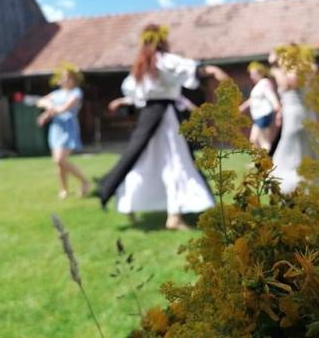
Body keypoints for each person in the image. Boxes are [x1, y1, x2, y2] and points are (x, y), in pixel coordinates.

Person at [96, 23, 228, 230]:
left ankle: (129, 206)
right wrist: (211, 70)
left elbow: (136, 93)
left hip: (149, 119)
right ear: (162, 41)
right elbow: (187, 69)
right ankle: (173, 217)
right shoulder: (162, 60)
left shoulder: (142, 66)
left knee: (143, 162)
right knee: (174, 163)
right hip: (164, 120)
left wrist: (123, 101)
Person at [36, 63, 90, 200]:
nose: (65, 80)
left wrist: (50, 106)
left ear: (74, 79)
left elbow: (63, 109)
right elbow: (40, 101)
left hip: (68, 127)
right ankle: (64, 190)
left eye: (68, 77)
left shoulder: (76, 93)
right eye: (64, 77)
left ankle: (85, 182)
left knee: (60, 159)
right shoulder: (56, 94)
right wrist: (45, 114)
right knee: (59, 162)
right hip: (56, 129)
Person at [269, 50, 317, 194]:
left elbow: (289, 84)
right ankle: (303, 187)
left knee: (290, 153)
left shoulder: (291, 71)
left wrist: (276, 70)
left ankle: (289, 188)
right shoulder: (306, 68)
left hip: (297, 117)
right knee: (300, 153)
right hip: (300, 114)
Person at [239, 61, 281, 152]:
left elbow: (271, 94)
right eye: (250, 74)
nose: (251, 76)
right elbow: (252, 100)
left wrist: (276, 106)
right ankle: (260, 161)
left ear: (261, 73)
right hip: (258, 117)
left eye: (253, 74)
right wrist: (241, 108)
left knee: (264, 142)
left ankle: (269, 161)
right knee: (253, 141)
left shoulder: (265, 82)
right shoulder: (257, 86)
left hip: (264, 116)